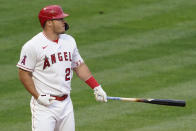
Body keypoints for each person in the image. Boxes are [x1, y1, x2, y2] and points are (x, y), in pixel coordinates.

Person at [17, 5, 107, 131]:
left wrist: (96, 86)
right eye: (60, 19)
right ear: (49, 23)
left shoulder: (69, 41)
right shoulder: (33, 46)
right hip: (44, 106)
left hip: (66, 104)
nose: (64, 22)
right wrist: (38, 96)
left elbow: (79, 66)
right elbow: (23, 73)